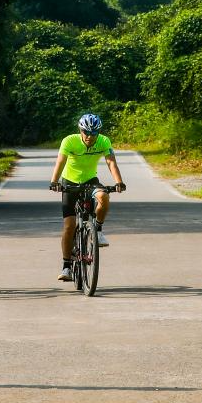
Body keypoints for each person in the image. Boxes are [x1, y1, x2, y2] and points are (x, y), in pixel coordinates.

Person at [49, 113, 126, 282]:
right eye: (86, 133)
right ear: (80, 130)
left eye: (94, 133)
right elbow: (60, 161)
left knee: (104, 197)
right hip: (69, 182)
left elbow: (111, 162)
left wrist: (119, 182)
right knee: (69, 226)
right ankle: (66, 266)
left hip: (91, 181)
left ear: (98, 132)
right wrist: (54, 181)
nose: (90, 137)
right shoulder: (69, 141)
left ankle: (97, 230)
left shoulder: (104, 141)